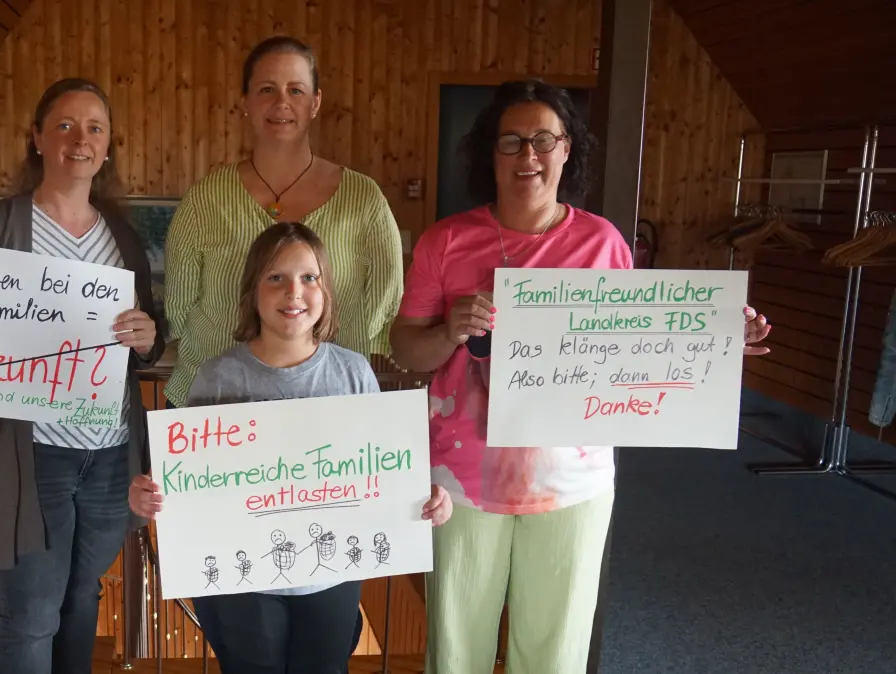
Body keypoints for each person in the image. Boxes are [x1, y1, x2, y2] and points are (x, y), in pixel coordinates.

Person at [388, 79, 773, 674]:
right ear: (489, 152)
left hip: (573, 479)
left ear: (567, 150)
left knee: (556, 651)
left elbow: (638, 346)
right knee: (455, 648)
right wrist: (449, 331)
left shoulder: (601, 242)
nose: (528, 156)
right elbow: (408, 351)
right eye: (511, 141)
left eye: (545, 139)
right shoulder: (447, 241)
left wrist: (719, 340)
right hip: (462, 479)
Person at [131, 222, 452, 674]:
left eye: (309, 277)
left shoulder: (353, 374)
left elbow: (383, 470)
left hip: (331, 575)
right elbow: (188, 482)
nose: (293, 292)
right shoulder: (218, 377)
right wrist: (149, 494)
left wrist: (426, 496)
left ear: (325, 291)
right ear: (252, 291)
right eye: (275, 277)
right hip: (241, 581)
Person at [0, 78, 165, 674]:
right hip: (32, 455)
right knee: (33, 611)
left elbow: (144, 335)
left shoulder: (121, 238)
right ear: (37, 138)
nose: (79, 140)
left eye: (94, 128)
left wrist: (148, 336)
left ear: (109, 146)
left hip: (111, 456)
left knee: (81, 597)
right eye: (64, 125)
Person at [163, 35, 404, 412]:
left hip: (328, 407)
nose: (281, 103)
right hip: (215, 409)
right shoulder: (205, 199)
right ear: (245, 101)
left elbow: (386, 306)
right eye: (266, 89)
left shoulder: (364, 200)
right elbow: (177, 308)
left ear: (315, 102)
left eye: (295, 90)